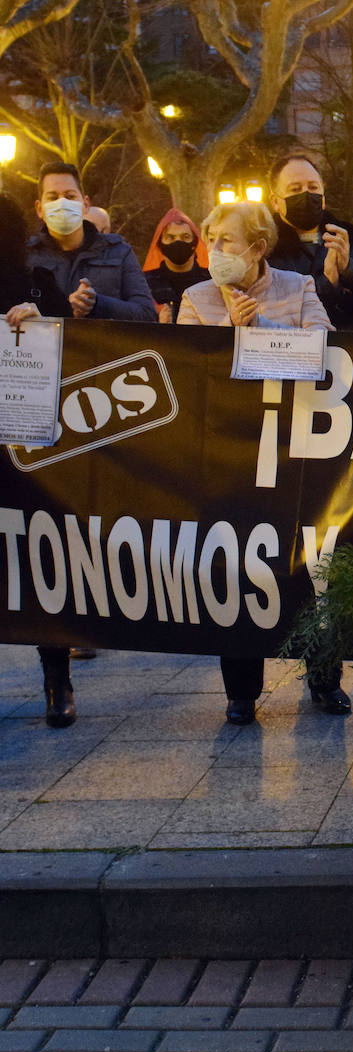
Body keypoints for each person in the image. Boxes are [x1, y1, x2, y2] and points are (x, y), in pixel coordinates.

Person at [177, 200, 348, 724]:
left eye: (226, 239)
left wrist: (265, 324)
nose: (215, 249)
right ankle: (241, 691)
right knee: (237, 567)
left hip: (297, 453)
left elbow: (328, 350)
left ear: (257, 247)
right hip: (233, 454)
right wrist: (229, 332)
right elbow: (186, 372)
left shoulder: (298, 287)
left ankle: (323, 680)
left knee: (310, 566)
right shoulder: (195, 298)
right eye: (211, 238)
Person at [0, 193, 75, 727]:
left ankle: (57, 676)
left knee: (36, 554)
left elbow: (88, 345)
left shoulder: (37, 284)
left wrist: (43, 318)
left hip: (25, 443)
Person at [267, 151, 353, 331]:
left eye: (313, 187)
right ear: (275, 202)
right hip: (287, 354)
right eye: (295, 189)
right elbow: (270, 309)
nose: (306, 194)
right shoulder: (264, 248)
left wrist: (351, 270)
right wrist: (327, 285)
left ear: (323, 197)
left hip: (352, 354)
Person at [27, 161, 156, 323]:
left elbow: (147, 314)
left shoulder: (119, 251)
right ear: (39, 209)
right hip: (43, 347)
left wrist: (98, 305)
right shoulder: (25, 256)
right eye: (53, 197)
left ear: (85, 204)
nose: (62, 203)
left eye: (70, 196)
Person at [143, 209, 210, 324]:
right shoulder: (144, 284)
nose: (178, 242)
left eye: (185, 237)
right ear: (160, 245)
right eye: (170, 238)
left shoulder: (210, 281)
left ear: (195, 243)